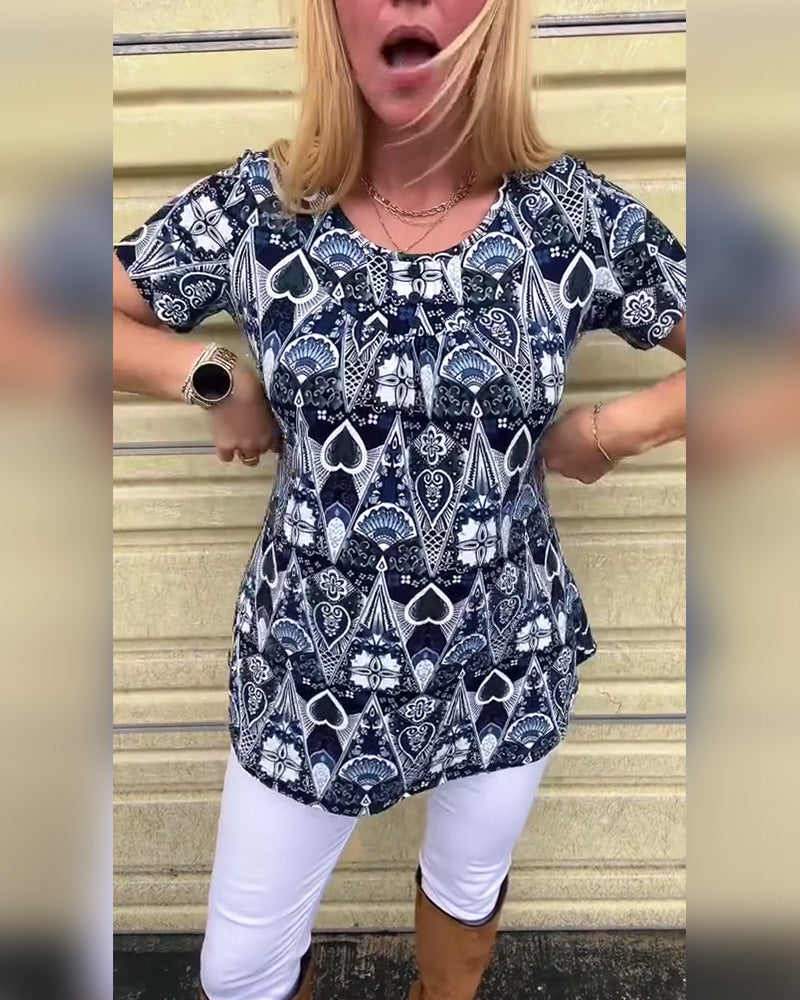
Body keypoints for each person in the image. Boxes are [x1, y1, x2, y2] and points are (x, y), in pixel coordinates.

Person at [112, 2, 687, 998]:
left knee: (466, 890)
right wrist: (208, 375)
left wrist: (614, 429)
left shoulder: (569, 217)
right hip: (310, 668)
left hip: (502, 654)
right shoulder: (263, 209)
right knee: (240, 970)